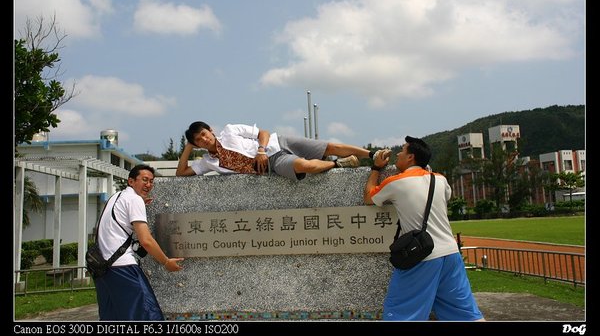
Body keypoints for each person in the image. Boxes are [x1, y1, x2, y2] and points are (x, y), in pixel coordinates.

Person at [363, 136, 484, 321]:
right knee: (463, 313)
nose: (398, 154)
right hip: (451, 254)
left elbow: (368, 197)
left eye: (402, 151)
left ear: (410, 157)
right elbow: (446, 195)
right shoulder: (440, 179)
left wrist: (376, 168)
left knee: (401, 312)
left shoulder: (396, 182)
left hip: (422, 256)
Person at [94, 164, 184, 321]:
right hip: (123, 268)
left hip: (103, 269)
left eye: (151, 181)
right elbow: (146, 240)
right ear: (131, 181)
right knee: (149, 317)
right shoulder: (134, 200)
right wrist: (166, 262)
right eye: (144, 180)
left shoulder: (116, 197)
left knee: (113, 319)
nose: (148, 184)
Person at [176, 122, 381, 181]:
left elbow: (262, 132)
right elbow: (181, 173)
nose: (204, 139)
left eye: (204, 134)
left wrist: (261, 150)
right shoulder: (208, 161)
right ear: (197, 144)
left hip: (277, 142)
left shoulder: (230, 131)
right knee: (304, 166)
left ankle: (372, 155)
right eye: (198, 140)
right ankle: (339, 163)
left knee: (328, 147)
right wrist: (188, 147)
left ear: (210, 130)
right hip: (273, 164)